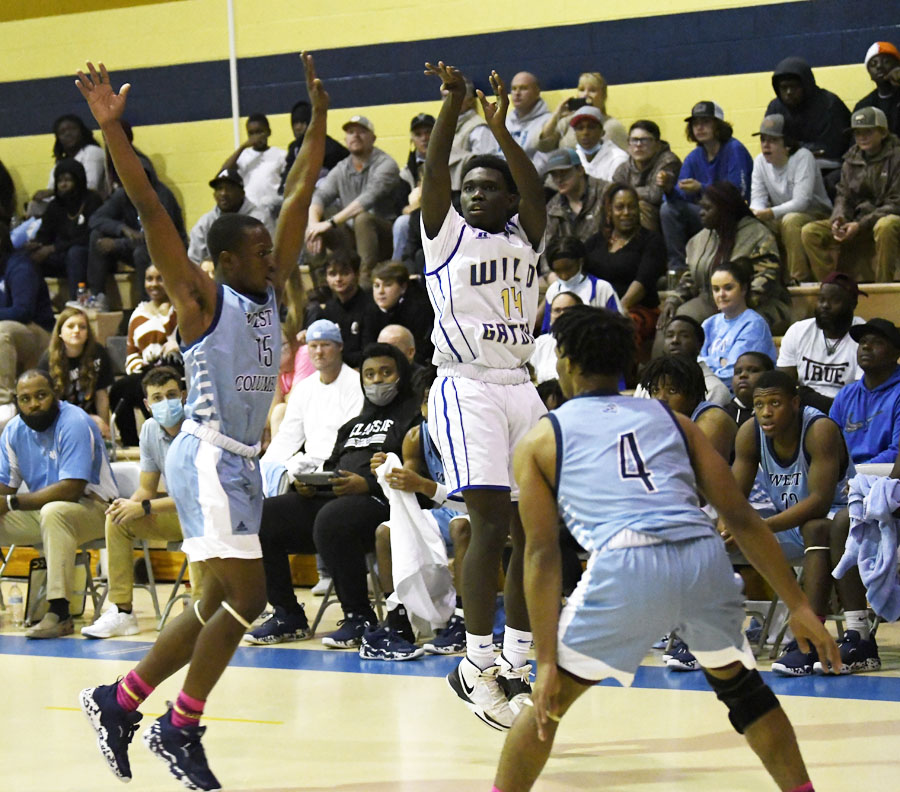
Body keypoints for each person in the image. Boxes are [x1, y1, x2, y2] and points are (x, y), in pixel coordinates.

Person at [76, 53, 327, 790]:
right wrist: (114, 132)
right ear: (222, 259)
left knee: (214, 600)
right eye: (257, 252)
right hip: (209, 455)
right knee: (250, 599)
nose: (271, 259)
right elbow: (151, 207)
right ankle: (180, 728)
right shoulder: (201, 299)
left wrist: (312, 124)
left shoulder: (266, 294)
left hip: (240, 462)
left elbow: (302, 193)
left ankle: (118, 701)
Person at [490, 305, 840, 792]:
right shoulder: (671, 420)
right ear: (627, 365)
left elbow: (542, 554)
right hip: (702, 553)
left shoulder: (542, 438)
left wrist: (544, 658)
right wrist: (799, 604)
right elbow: (739, 515)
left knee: (545, 705)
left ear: (565, 362)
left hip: (627, 558)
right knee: (746, 694)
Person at [421, 61, 547, 730]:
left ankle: (518, 665)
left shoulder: (524, 235)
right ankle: (476, 663)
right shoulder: (446, 235)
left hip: (521, 385)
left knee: (536, 526)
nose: (474, 194)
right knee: (490, 522)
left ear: (506, 201)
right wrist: (453, 108)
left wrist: (500, 132)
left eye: (487, 187)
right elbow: (435, 173)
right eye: (468, 187)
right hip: (466, 385)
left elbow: (536, 193)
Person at [248, 343, 420, 647]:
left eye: (385, 372)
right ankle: (287, 614)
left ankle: (360, 617)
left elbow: (418, 472)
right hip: (336, 499)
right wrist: (312, 484)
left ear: (401, 375)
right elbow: (332, 466)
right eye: (369, 374)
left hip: (384, 503)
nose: (377, 380)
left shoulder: (412, 418)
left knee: (334, 519)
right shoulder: (352, 425)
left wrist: (366, 484)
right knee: (266, 515)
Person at [730, 370, 857, 677]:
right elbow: (731, 496)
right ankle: (704, 636)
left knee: (816, 526)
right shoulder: (749, 432)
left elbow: (820, 501)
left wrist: (764, 527)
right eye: (759, 405)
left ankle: (810, 637)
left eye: (775, 403)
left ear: (796, 403)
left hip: (840, 523)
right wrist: (726, 525)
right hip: (786, 522)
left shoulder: (819, 428)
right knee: (714, 536)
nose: (766, 412)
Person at [82, 366, 205, 639]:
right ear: (148, 405)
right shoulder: (150, 430)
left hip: (208, 517)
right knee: (117, 519)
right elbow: (147, 489)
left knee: (196, 522)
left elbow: (196, 497)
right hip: (177, 515)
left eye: (172, 395)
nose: (166, 402)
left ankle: (201, 612)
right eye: (158, 398)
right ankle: (122, 612)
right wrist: (128, 504)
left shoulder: (199, 429)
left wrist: (145, 507)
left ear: (184, 396)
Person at [0, 369, 115, 638]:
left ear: (56, 394)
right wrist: (6, 500)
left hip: (98, 510)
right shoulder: (13, 431)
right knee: (51, 513)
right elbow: (5, 489)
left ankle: (60, 613)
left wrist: (11, 501)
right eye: (25, 399)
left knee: (55, 512)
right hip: (46, 513)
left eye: (41, 395)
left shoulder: (74, 420)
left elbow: (71, 490)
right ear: (17, 401)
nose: (34, 404)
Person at [366, 379, 472, 660]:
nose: (434, 409)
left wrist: (423, 485)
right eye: (428, 402)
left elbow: (476, 498)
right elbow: (406, 496)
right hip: (445, 511)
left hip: (483, 513)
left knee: (462, 526)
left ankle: (463, 620)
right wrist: (389, 473)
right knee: (385, 533)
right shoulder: (415, 436)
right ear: (423, 407)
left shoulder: (471, 434)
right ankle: (397, 620)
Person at [659, 181, 791, 333]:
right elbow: (692, 276)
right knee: (675, 326)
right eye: (701, 207)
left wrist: (733, 307)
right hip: (709, 301)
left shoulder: (758, 235)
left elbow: (765, 281)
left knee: (732, 328)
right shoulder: (699, 239)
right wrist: (674, 300)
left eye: (707, 208)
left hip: (756, 305)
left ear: (726, 209)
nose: (701, 212)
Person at [259, 318, 363, 498]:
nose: (319, 352)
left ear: (340, 347)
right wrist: (263, 466)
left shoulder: (356, 384)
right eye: (313, 346)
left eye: (325, 345)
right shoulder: (304, 388)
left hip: (339, 469)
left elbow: (350, 437)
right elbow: (288, 437)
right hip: (308, 466)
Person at [800, 106, 900, 283]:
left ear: (883, 133)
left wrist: (860, 225)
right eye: (857, 133)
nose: (861, 137)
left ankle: (884, 287)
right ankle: (832, 286)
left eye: (867, 132)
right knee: (810, 231)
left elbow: (896, 203)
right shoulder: (850, 159)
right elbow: (843, 196)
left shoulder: (896, 157)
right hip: (857, 220)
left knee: (887, 225)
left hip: (884, 219)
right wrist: (839, 218)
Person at [306, 114, 401, 287]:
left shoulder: (386, 164)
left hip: (383, 236)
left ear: (373, 138)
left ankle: (365, 284)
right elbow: (319, 196)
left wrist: (331, 222)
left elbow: (367, 199)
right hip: (351, 237)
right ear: (345, 139)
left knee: (362, 218)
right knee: (314, 225)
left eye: (361, 131)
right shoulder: (342, 167)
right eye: (351, 132)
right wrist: (314, 225)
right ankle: (321, 287)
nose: (355, 136)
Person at [659, 101, 754, 272]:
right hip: (704, 214)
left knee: (709, 211)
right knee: (668, 209)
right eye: (695, 124)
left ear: (719, 125)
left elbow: (737, 192)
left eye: (705, 122)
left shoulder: (734, 149)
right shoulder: (694, 157)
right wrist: (668, 189)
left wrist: (701, 188)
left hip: (732, 215)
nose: (699, 128)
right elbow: (680, 196)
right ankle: (678, 269)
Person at [87, 154, 187, 308]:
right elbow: (95, 219)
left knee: (141, 252)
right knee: (97, 236)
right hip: (133, 244)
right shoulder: (123, 194)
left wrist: (117, 243)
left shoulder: (162, 196)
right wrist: (122, 229)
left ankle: (146, 303)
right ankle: (97, 296)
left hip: (165, 249)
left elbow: (159, 237)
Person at [749, 114, 832, 284]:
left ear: (787, 144)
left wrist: (770, 212)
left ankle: (799, 279)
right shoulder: (759, 162)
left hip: (816, 213)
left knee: (791, 220)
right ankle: (762, 278)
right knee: (753, 224)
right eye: (763, 139)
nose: (765, 145)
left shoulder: (803, 157)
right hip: (780, 214)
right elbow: (757, 199)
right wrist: (755, 212)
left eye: (772, 140)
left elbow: (802, 202)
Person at [584, 183, 665, 354]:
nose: (626, 213)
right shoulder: (595, 242)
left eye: (632, 207)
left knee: (620, 329)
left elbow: (643, 280)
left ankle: (621, 380)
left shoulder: (651, 241)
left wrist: (619, 308)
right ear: (610, 211)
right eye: (620, 207)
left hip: (637, 308)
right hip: (597, 307)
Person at [107, 263, 181, 446]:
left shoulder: (179, 308)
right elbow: (132, 351)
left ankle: (171, 437)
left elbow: (180, 339)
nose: (154, 284)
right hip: (147, 368)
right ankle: (131, 443)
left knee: (159, 385)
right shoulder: (138, 313)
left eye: (159, 278)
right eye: (149, 279)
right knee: (120, 389)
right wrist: (139, 370)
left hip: (176, 365)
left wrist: (164, 316)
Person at [776, 272, 865, 413]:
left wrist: (809, 398)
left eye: (834, 300)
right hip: (801, 411)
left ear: (853, 304)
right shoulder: (798, 331)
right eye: (821, 299)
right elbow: (783, 385)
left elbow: (858, 400)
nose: (825, 305)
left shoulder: (864, 338)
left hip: (843, 415)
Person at [0, 223, 55, 428]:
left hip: (40, 335)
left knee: (1, 331)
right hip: (14, 332)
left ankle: (3, 404)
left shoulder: (20, 266)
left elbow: (22, 311)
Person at [26, 159, 102, 299]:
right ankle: (39, 303)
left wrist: (53, 248)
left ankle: (76, 302)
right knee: (25, 257)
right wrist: (36, 244)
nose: (63, 185)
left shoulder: (92, 200)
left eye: (68, 180)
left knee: (75, 253)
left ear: (78, 180)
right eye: (59, 180)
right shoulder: (55, 205)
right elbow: (45, 233)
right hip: (60, 255)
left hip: (87, 256)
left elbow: (88, 236)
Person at [829, 318, 900, 465]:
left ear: (895, 354)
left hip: (887, 478)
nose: (867, 346)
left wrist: (857, 475)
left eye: (878, 342)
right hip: (847, 479)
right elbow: (830, 446)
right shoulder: (845, 394)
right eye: (863, 341)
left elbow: (897, 452)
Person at [699, 260, 778, 391]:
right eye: (716, 289)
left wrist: (707, 363)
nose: (721, 294)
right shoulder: (708, 324)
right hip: (708, 388)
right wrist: (720, 361)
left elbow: (734, 376)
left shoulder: (754, 324)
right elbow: (696, 366)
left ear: (743, 289)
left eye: (728, 288)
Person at [641, 354, 738, 462]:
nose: (661, 398)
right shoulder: (665, 422)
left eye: (672, 390)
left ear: (693, 394)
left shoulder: (713, 420)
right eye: (655, 390)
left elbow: (699, 476)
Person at [765, 57, 851, 174]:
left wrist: (793, 148)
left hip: (829, 167)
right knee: (763, 163)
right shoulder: (775, 107)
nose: (789, 92)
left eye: (794, 87)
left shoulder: (829, 104)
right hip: (789, 165)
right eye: (784, 88)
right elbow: (769, 144)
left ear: (806, 85)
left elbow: (831, 149)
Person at [39, 307, 114, 438]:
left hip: (91, 420)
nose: (76, 331)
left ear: (88, 333)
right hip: (59, 421)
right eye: (70, 326)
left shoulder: (98, 353)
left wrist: (104, 429)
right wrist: (81, 418)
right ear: (60, 332)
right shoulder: (47, 360)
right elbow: (48, 403)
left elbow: (101, 395)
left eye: (82, 327)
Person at [633, 314, 730, 406]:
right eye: (670, 335)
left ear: (699, 344)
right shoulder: (648, 383)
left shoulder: (714, 388)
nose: (675, 340)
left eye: (684, 336)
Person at [305, 250, 378, 368]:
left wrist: (334, 357)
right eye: (333, 274)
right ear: (327, 278)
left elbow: (368, 353)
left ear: (357, 274)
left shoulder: (370, 307)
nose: (338, 279)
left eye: (344, 273)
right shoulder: (329, 308)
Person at [187, 167, 273, 267]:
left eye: (230, 188)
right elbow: (194, 262)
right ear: (214, 195)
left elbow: (271, 256)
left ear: (242, 193)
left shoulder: (260, 219)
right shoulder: (205, 223)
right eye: (219, 189)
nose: (223, 193)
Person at [539, 236, 620, 333]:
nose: (564, 276)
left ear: (581, 261)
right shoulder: (553, 290)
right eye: (558, 271)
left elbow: (619, 328)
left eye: (568, 269)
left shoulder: (602, 289)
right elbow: (547, 331)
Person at [612, 120, 682, 233]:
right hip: (632, 215)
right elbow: (613, 195)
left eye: (644, 140)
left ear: (657, 144)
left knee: (641, 207)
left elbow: (656, 195)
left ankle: (648, 248)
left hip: (665, 217)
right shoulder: (623, 168)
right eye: (634, 140)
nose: (638, 145)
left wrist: (627, 193)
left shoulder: (668, 161)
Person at [537, 71, 627, 153]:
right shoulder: (567, 122)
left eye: (592, 90)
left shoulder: (612, 126)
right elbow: (543, 147)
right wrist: (556, 115)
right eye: (582, 90)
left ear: (603, 96)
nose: (585, 95)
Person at [219, 113, 286, 221]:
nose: (256, 137)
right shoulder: (244, 155)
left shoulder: (280, 154)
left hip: (272, 210)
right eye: (251, 133)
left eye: (259, 132)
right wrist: (243, 146)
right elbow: (224, 171)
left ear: (268, 132)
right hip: (249, 210)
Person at [278, 99, 349, 199]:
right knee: (270, 203)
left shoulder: (330, 147)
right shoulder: (294, 148)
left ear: (311, 123)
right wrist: (282, 189)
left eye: (302, 122)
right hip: (299, 197)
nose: (298, 127)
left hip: (327, 199)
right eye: (295, 123)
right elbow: (288, 173)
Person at [31, 114, 106, 205]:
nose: (67, 134)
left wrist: (53, 192)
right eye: (62, 132)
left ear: (82, 131)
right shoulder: (61, 162)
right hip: (66, 205)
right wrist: (41, 196)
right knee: (35, 205)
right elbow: (51, 189)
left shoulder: (92, 152)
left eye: (73, 129)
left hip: (90, 205)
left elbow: (90, 186)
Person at [370, 260, 435, 365]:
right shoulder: (371, 308)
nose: (380, 291)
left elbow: (422, 351)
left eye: (388, 285)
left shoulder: (419, 308)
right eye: (376, 286)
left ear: (403, 287)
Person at [543, 148, 606, 249]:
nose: (559, 179)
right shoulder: (552, 208)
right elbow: (546, 249)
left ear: (580, 170)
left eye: (564, 172)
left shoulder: (605, 193)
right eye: (554, 175)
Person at [393, 113, 434, 259]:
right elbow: (400, 206)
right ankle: (397, 271)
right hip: (416, 217)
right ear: (412, 139)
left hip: (446, 215)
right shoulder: (406, 172)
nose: (424, 138)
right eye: (418, 134)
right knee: (402, 223)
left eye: (428, 132)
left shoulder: (454, 161)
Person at [446, 76, 495, 193]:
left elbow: (484, 166)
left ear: (469, 100)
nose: (447, 100)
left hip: (468, 192)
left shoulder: (479, 128)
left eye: (454, 96)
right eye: (445, 96)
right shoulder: (446, 127)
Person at [567, 106, 628, 182]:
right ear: (575, 134)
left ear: (602, 132)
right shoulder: (573, 158)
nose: (585, 133)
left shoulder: (618, 159)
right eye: (580, 128)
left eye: (591, 127)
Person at [531, 291, 581, 384]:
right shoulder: (539, 344)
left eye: (567, 311)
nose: (562, 315)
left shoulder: (590, 342)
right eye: (557, 310)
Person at [505, 71, 552, 169]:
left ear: (537, 92)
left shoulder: (548, 122)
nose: (517, 93)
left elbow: (544, 163)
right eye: (514, 89)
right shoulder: (504, 121)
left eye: (523, 88)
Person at [854, 41, 900, 137]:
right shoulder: (863, 106)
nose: (879, 66)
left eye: (886, 61)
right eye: (873, 64)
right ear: (869, 74)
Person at [725, 350, 775, 426]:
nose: (743, 375)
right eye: (738, 372)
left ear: (770, 376)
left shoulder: (777, 412)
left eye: (753, 370)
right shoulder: (724, 414)